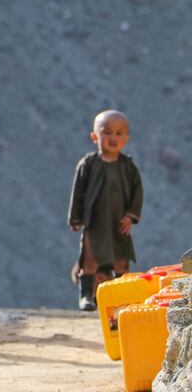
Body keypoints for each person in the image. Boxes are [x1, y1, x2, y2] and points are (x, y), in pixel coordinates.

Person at [68, 110, 143, 311]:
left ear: (126, 138)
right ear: (94, 136)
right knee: (90, 261)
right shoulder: (88, 164)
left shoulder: (128, 167)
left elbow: (137, 193)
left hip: (119, 225)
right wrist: (75, 218)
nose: (113, 138)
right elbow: (78, 193)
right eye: (107, 132)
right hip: (95, 223)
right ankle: (86, 297)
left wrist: (130, 216)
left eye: (119, 133)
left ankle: (122, 299)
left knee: (121, 262)